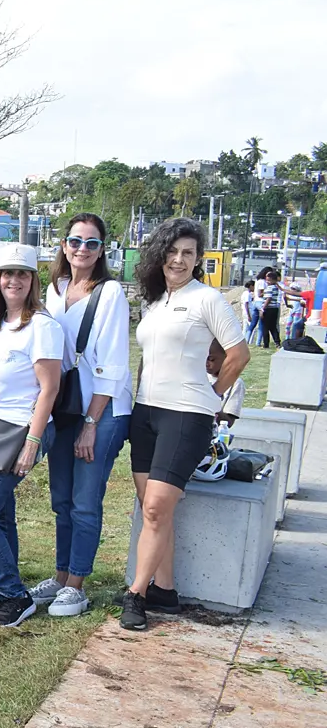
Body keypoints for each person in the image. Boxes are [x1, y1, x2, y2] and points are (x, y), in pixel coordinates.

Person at [125, 219, 248, 631]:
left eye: (189, 253)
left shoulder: (207, 299)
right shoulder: (155, 302)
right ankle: (165, 589)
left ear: (198, 260)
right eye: (173, 251)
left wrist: (215, 396)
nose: (179, 259)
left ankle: (135, 596)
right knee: (153, 510)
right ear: (160, 254)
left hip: (187, 414)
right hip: (146, 414)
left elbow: (239, 354)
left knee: (157, 508)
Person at [33, 214, 133, 619]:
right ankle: (60, 575)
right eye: (76, 241)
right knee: (61, 499)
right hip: (64, 408)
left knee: (85, 500)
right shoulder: (54, 291)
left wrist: (92, 425)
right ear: (63, 245)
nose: (82, 249)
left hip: (100, 409)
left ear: (102, 249)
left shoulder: (109, 293)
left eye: (92, 243)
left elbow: (114, 366)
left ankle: (77, 583)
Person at [0, 244, 65, 629]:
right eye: (7, 273)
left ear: (33, 280)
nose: (14, 281)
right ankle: (1, 588)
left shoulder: (42, 327)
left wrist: (32, 443)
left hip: (19, 431)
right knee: (1, 515)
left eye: (23, 274)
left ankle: (13, 593)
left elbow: (49, 389)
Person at [207, 340, 245, 426]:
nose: (206, 363)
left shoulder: (236, 383)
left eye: (211, 359)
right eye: (203, 358)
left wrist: (210, 402)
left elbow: (229, 422)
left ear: (226, 358)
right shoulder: (199, 376)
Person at [241, 281, 261, 346]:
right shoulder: (247, 294)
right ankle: (250, 341)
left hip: (245, 312)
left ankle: (244, 341)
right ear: (251, 286)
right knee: (253, 328)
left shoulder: (245, 293)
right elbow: (246, 304)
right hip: (248, 312)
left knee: (245, 328)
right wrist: (249, 315)